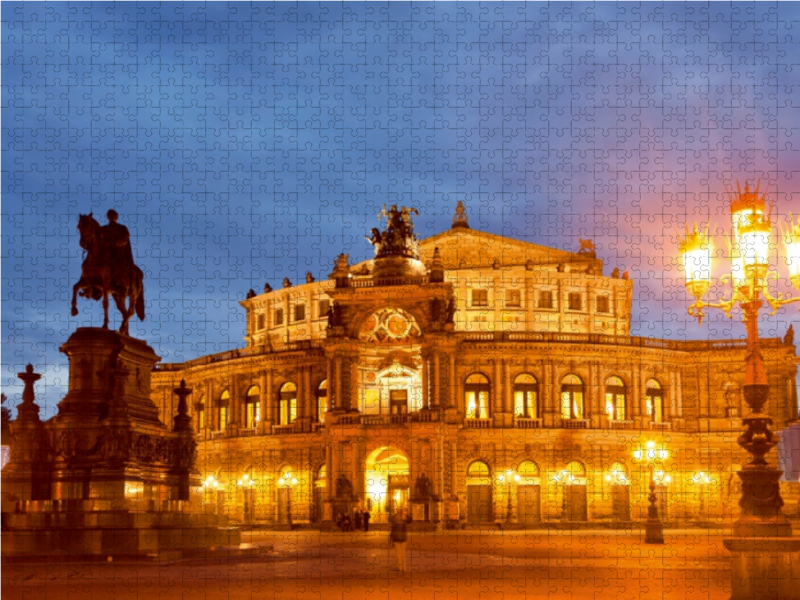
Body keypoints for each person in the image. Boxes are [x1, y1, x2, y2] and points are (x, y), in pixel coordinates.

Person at [389, 508, 408, 573]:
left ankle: (400, 568)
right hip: (404, 538)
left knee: (398, 553)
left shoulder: (394, 520)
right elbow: (410, 520)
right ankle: (404, 568)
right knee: (403, 553)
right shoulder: (404, 519)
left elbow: (390, 520)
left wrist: (391, 538)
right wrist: (405, 514)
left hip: (396, 538)